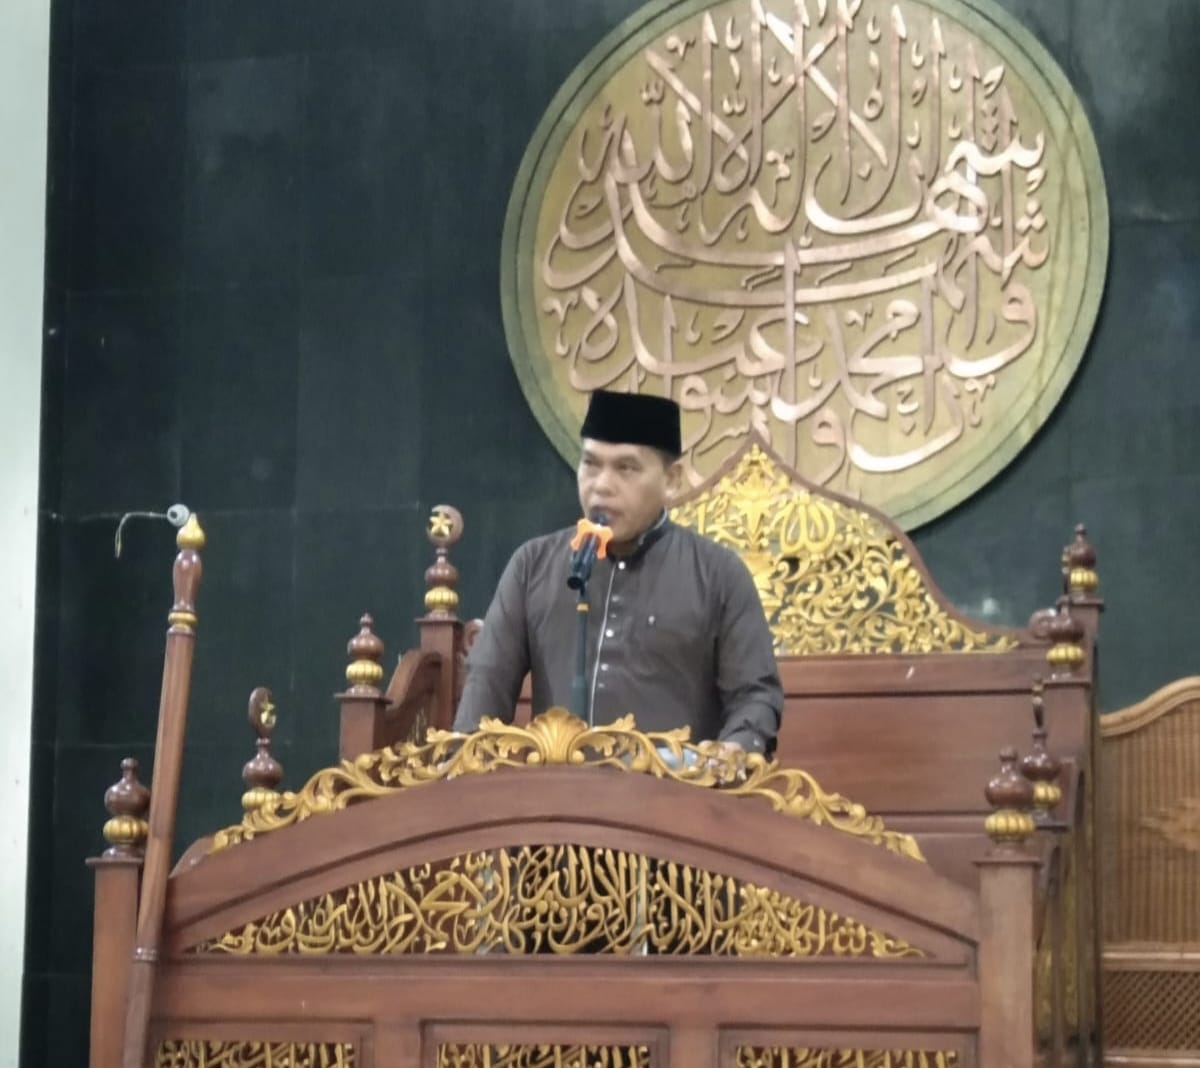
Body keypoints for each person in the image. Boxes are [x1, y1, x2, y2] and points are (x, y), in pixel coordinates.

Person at [452, 389, 782, 757]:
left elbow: (755, 698)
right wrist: (462, 765)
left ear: (672, 479)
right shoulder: (533, 565)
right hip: (557, 791)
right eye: (591, 464)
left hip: (672, 790)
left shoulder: (718, 573)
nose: (602, 485)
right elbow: (487, 684)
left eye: (626, 468)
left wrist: (735, 748)